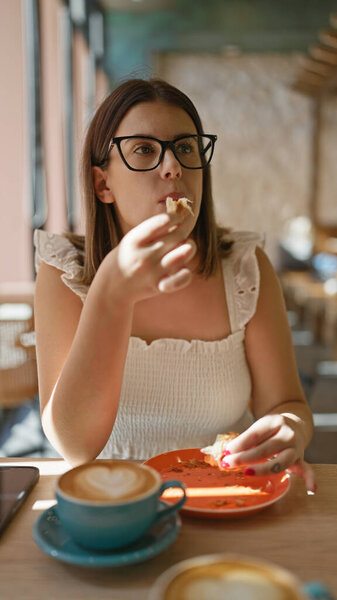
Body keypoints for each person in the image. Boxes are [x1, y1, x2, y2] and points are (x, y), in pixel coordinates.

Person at [34, 78, 316, 492]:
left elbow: (287, 404)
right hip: (113, 511)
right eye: (145, 150)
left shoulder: (244, 267)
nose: (174, 167)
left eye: (186, 148)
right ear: (103, 185)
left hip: (228, 502)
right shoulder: (65, 272)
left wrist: (292, 429)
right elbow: (75, 446)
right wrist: (111, 292)